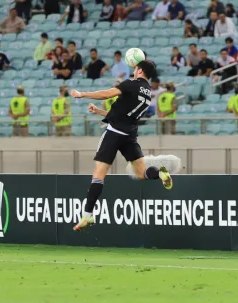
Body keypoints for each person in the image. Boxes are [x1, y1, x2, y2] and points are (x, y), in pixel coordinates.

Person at [69, 59, 173, 231]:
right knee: (142, 173)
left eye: (135, 68)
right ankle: (160, 173)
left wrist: (82, 94)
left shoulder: (131, 83)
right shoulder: (148, 93)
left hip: (114, 134)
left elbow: (107, 94)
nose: (133, 71)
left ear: (139, 71)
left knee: (98, 174)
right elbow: (124, 113)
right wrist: (99, 112)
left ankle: (87, 215)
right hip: (129, 135)